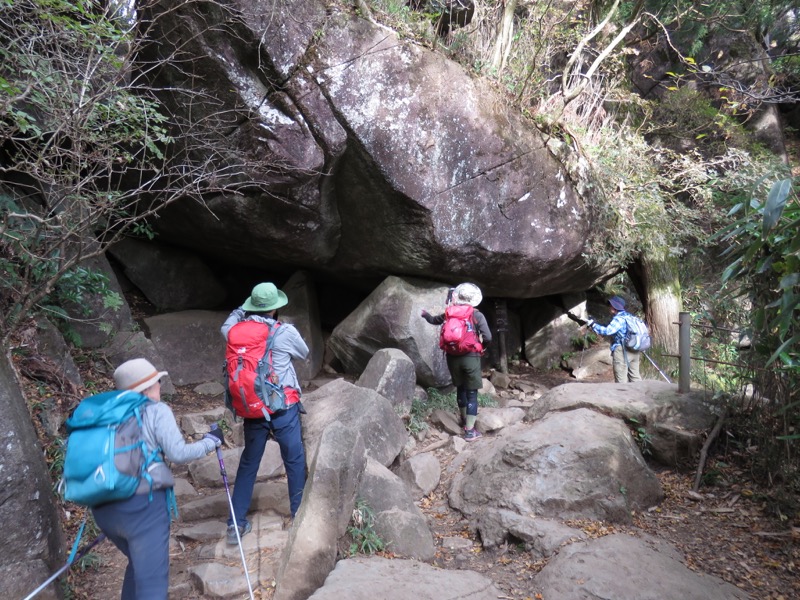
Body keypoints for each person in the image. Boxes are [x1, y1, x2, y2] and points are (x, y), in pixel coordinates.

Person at [92, 358, 224, 600]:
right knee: (152, 585)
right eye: (158, 382)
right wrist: (210, 442)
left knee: (138, 563)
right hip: (143, 505)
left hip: (103, 507)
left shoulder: (101, 414)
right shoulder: (155, 410)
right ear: (146, 389)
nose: (161, 386)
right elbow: (178, 453)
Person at [221, 282, 309, 543]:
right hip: (283, 408)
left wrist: (240, 310)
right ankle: (298, 517)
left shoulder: (233, 332)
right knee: (293, 461)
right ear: (275, 309)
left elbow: (225, 324)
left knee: (249, 464)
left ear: (250, 307)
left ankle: (235, 526)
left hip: (253, 411)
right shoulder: (284, 332)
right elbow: (304, 354)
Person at [421, 283, 492, 441]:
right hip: (470, 357)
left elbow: (433, 320)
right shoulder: (476, 315)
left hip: (452, 357)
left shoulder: (449, 313)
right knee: (472, 393)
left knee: (460, 388)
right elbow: (488, 337)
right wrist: (482, 347)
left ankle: (463, 419)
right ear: (474, 299)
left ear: (458, 296)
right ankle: (470, 431)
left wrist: (425, 314)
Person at [586, 295, 642, 383]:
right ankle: (639, 395)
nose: (609, 307)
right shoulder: (630, 316)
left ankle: (623, 396)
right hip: (635, 348)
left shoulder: (619, 319)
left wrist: (593, 325)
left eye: (610, 305)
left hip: (622, 349)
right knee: (635, 377)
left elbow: (608, 331)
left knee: (621, 380)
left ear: (615, 306)